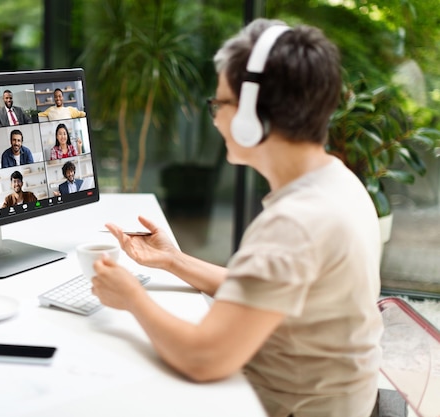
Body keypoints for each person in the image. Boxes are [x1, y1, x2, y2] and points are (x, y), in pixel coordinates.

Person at [91, 19, 383, 417]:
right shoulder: (336, 182)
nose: (214, 119)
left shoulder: (297, 222)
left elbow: (203, 358)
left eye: (220, 104)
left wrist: (131, 297)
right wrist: (173, 260)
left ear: (253, 115)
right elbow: (267, 290)